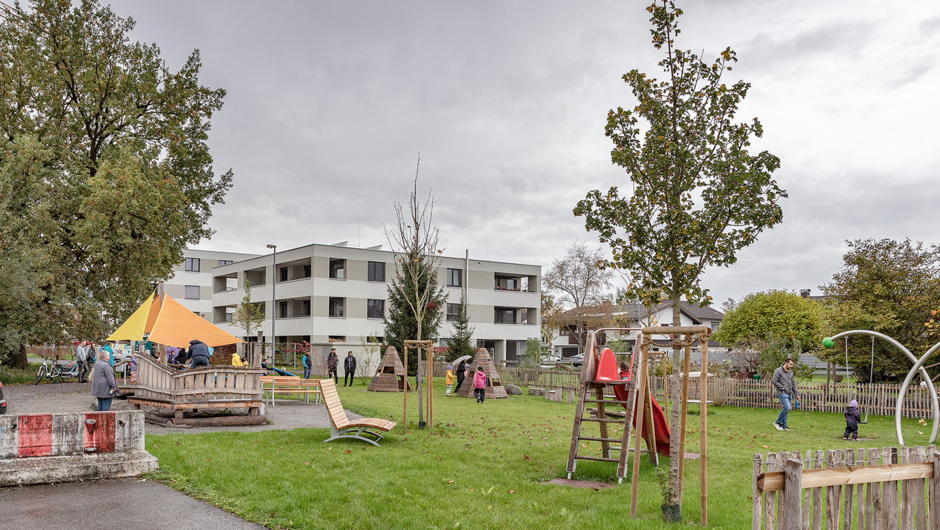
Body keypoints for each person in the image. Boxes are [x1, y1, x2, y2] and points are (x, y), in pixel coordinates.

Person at [771, 357, 798, 431]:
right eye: (790, 364)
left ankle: (784, 426)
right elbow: (774, 381)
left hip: (789, 393)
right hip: (782, 393)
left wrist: (796, 394)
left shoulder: (790, 372)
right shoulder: (778, 371)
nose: (791, 366)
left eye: (792, 365)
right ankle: (777, 422)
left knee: (786, 409)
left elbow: (793, 383)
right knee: (787, 407)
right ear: (786, 363)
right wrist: (782, 388)